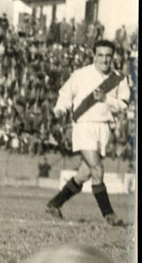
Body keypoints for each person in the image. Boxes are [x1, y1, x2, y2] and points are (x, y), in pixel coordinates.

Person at [45, 39, 130, 226]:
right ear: (94, 56)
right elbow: (66, 94)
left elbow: (124, 105)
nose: (104, 59)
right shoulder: (81, 75)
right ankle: (109, 215)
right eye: (100, 55)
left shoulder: (119, 79)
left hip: (104, 128)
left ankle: (54, 204)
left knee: (84, 174)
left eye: (108, 56)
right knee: (98, 169)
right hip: (83, 126)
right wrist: (60, 109)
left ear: (113, 57)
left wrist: (106, 99)